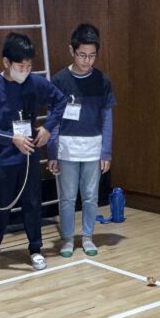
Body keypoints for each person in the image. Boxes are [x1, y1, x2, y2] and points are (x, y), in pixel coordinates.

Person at [0, 32, 67, 274]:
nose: (24, 71)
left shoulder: (35, 82)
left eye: (29, 66)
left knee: (33, 205)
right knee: (0, 208)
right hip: (3, 160)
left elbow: (60, 101)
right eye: (20, 66)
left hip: (29, 158)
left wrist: (48, 127)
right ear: (6, 62)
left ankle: (35, 249)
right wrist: (11, 138)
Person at [48, 23, 115, 258]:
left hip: (93, 148)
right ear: (72, 51)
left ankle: (87, 236)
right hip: (66, 148)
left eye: (92, 55)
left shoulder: (102, 80)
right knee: (67, 197)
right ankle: (68, 238)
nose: (87, 60)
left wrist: (106, 151)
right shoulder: (60, 80)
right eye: (82, 55)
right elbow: (53, 118)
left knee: (90, 196)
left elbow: (107, 118)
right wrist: (52, 151)